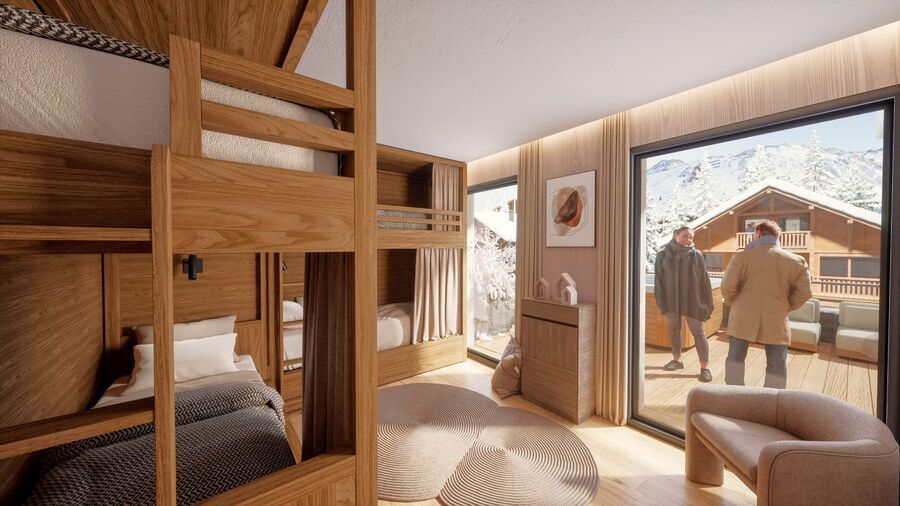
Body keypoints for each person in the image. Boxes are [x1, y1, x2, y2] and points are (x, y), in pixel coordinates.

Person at [721, 220, 813, 389]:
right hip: (776, 318)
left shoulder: (741, 257)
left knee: (735, 359)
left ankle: (734, 396)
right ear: (778, 236)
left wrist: (735, 303)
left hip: (742, 316)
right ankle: (772, 400)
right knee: (777, 365)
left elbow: (727, 287)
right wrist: (786, 306)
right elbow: (805, 292)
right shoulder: (797, 261)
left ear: (758, 233)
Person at [654, 226, 714, 382]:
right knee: (674, 330)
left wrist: (708, 304)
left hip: (693, 301)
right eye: (685, 236)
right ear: (675, 235)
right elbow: (659, 281)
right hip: (672, 301)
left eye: (691, 237)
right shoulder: (662, 255)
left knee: (699, 333)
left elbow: (705, 281)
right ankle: (677, 360)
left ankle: (704, 367)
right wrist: (661, 301)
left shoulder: (697, 255)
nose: (688, 240)